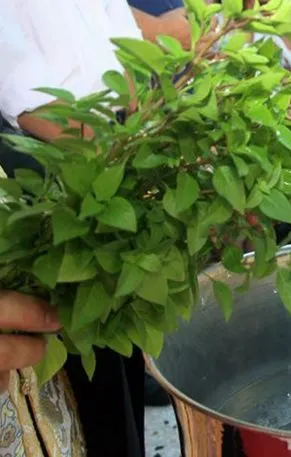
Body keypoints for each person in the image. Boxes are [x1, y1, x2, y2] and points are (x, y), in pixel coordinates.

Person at [0, 2, 149, 455]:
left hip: (112, 144)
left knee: (121, 346)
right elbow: (20, 86)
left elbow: (121, 39)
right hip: (45, 154)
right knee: (69, 347)